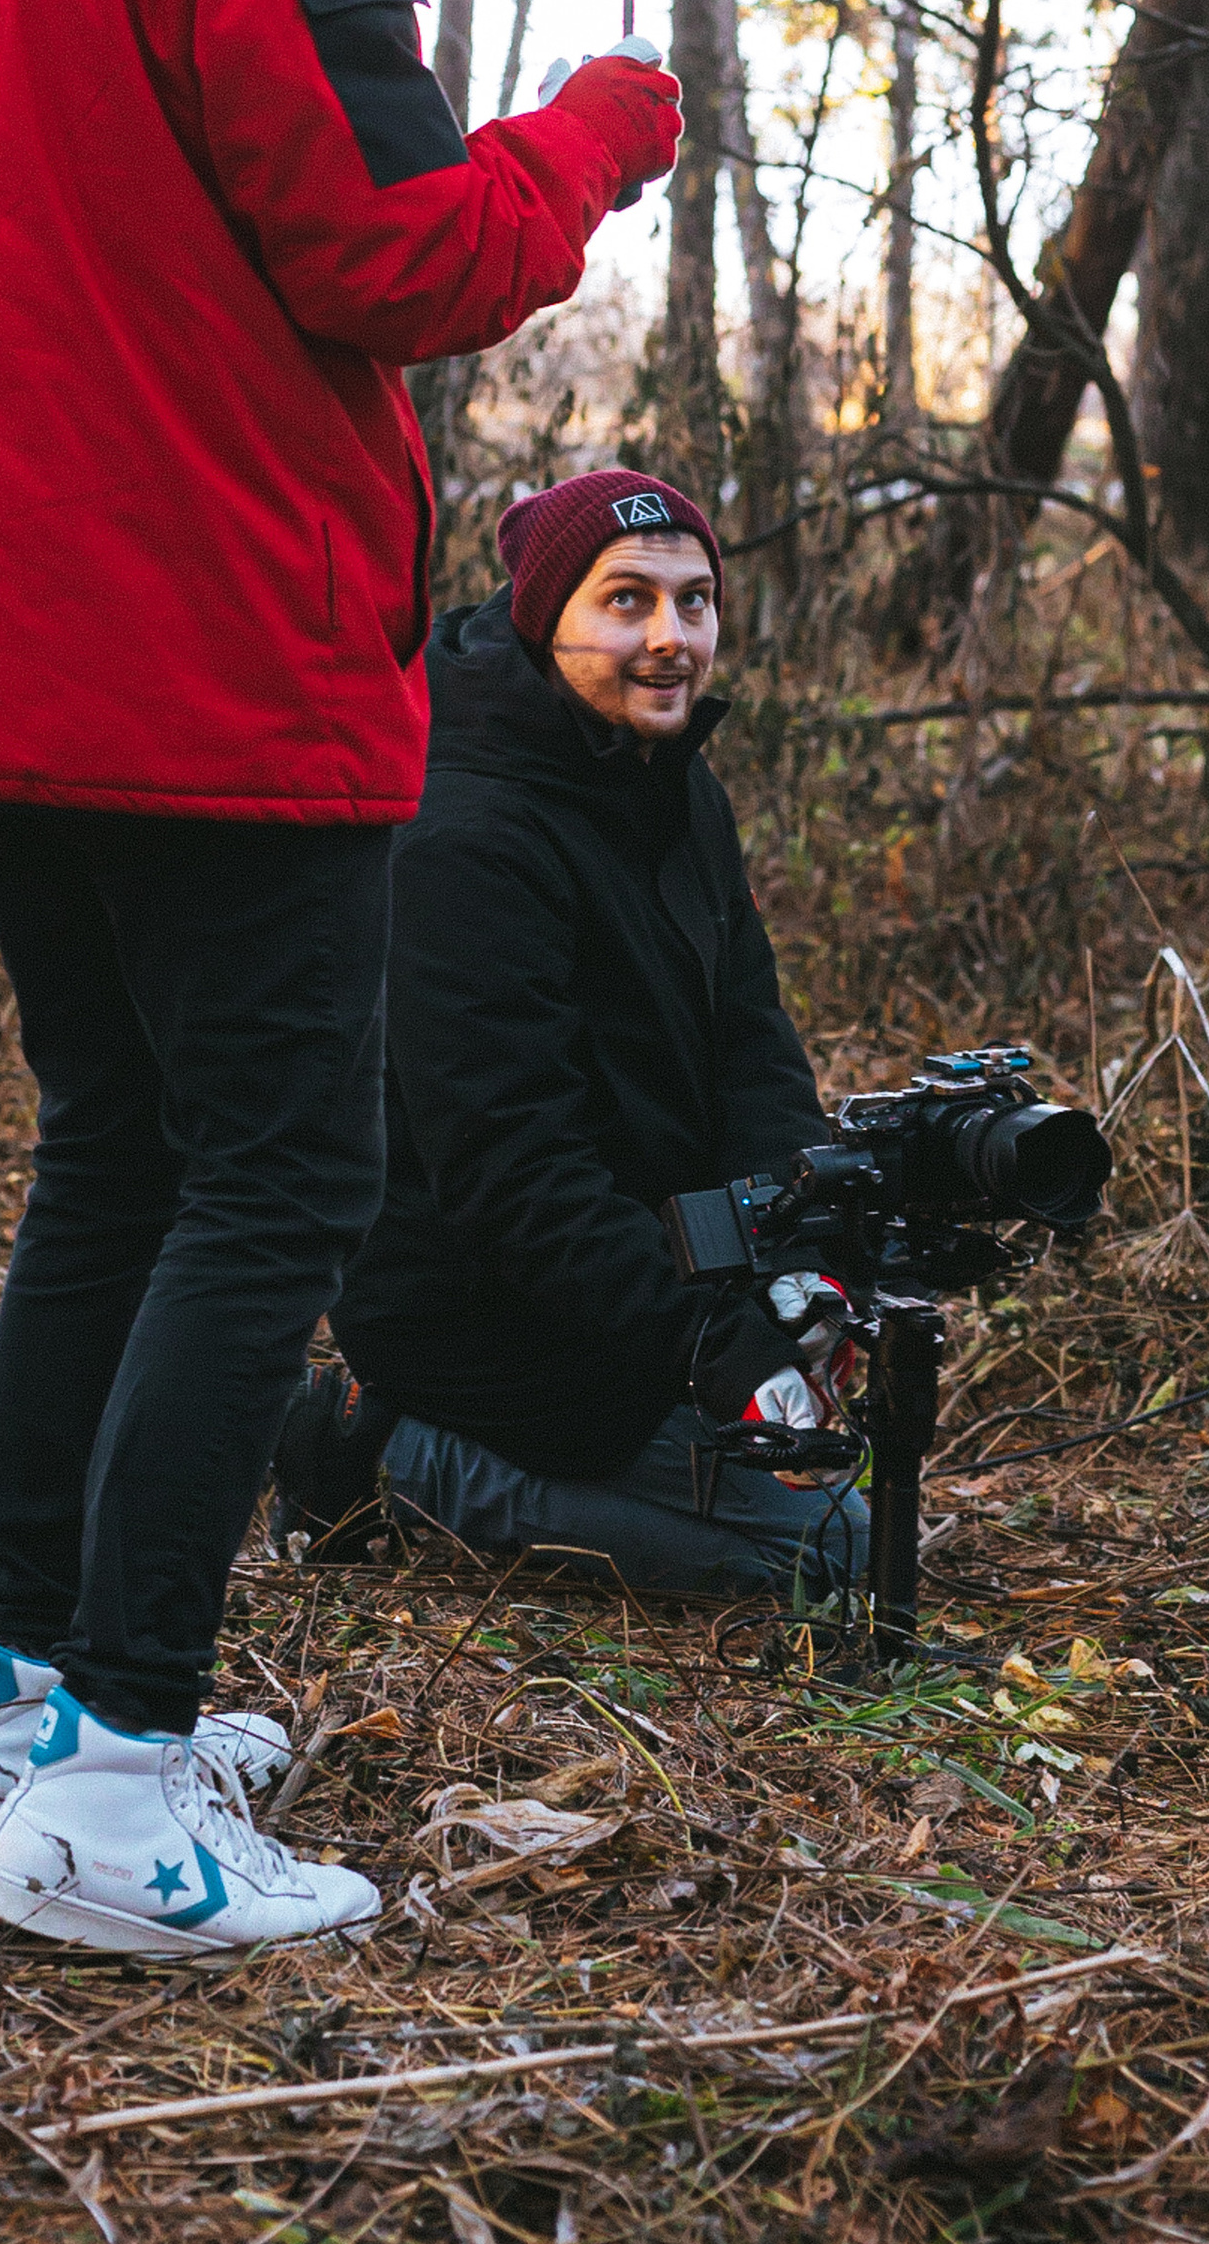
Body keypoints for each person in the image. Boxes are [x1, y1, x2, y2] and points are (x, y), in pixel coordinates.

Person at [0, 0, 682, 1958]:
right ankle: (112, 1786)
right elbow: (405, 253)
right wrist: (597, 129)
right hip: (209, 653)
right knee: (276, 1181)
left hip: (7, 643)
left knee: (116, 1150)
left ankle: (30, 1699)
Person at [279, 469, 871, 1605]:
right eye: (626, 600)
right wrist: (708, 1340)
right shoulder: (464, 833)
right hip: (481, 1308)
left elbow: (753, 1046)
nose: (670, 638)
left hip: (641, 1268)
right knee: (823, 1554)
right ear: (544, 614)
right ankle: (387, 1453)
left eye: (694, 601)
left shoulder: (673, 782)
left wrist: (800, 1255)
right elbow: (512, 1172)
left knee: (844, 1478)